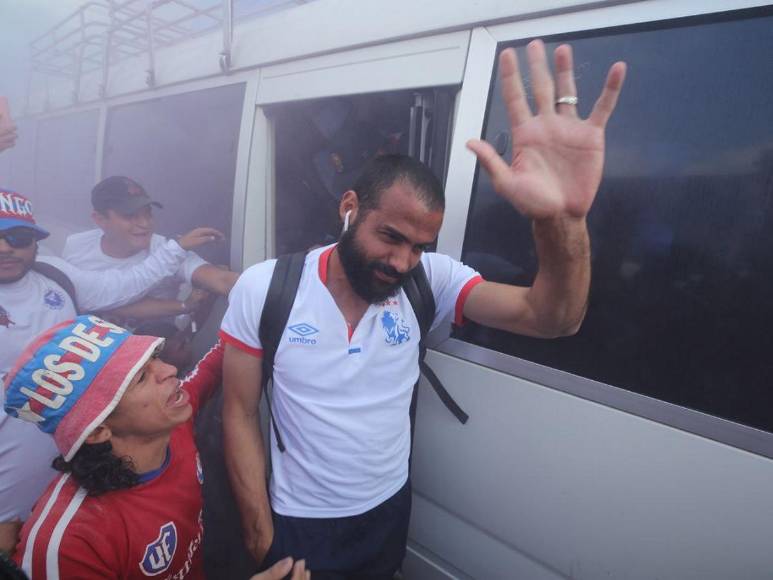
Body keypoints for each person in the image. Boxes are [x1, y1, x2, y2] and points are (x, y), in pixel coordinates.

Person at [220, 40, 626, 577]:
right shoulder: (265, 287)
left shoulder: (428, 281)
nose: (401, 260)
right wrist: (258, 533)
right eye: (390, 236)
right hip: (299, 522)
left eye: (418, 246)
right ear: (349, 208)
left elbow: (553, 317)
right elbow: (239, 411)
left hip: (388, 511)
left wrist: (563, 220)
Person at [0, 187, 222, 552]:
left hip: (83, 466)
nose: (7, 247)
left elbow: (120, 289)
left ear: (35, 242)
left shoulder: (54, 275)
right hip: (11, 488)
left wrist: (176, 253)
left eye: (18, 237)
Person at [62, 176, 239, 334]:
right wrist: (183, 306)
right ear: (100, 219)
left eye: (148, 214)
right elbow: (79, 297)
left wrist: (262, 284)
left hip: (153, 363)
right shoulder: (77, 246)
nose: (145, 223)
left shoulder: (169, 250)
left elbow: (222, 280)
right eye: (131, 216)